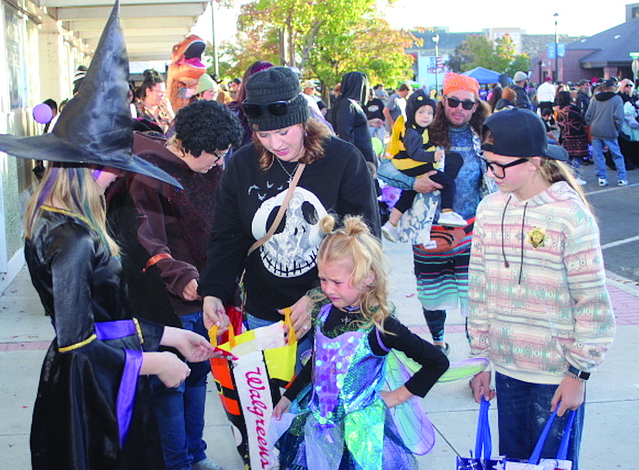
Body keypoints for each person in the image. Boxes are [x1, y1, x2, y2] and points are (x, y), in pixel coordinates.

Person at [0, 5, 225, 470]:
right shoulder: (71, 239)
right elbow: (79, 347)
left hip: (109, 383)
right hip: (90, 404)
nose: (119, 178)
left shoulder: (68, 223)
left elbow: (105, 320)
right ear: (84, 168)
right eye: (112, 170)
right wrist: (156, 362)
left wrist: (171, 336)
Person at [468, 108, 615, 470]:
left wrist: (578, 374)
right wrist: (480, 360)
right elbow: (478, 288)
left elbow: (593, 304)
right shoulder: (488, 210)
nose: (492, 174)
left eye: (500, 166)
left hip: (556, 377)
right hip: (508, 372)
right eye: (488, 164)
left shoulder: (570, 215)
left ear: (534, 162)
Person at [109, 100, 244, 470]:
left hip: (207, 297)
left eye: (224, 155)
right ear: (189, 145)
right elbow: (145, 237)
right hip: (164, 299)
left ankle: (195, 453)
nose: (219, 162)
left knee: (200, 376)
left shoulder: (210, 171)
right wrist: (181, 275)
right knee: (170, 383)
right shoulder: (149, 173)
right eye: (216, 154)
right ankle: (175, 466)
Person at [198, 66, 380, 358]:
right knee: (276, 401)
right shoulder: (243, 164)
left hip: (336, 315)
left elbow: (364, 241)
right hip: (265, 315)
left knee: (331, 402)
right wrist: (213, 291)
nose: (276, 144)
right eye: (264, 134)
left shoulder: (343, 159)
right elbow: (227, 237)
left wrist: (320, 296)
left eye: (283, 131)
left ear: (302, 121)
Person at [272, 214, 449, 470]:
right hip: (321, 427)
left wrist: (396, 396)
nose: (328, 289)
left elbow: (436, 362)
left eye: (337, 281)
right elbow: (318, 364)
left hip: (362, 435)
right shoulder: (326, 314)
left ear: (367, 277)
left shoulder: (381, 326)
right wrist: (290, 395)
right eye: (323, 279)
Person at [377, 72, 492, 355]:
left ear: (476, 106)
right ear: (443, 101)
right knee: (432, 295)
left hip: (472, 227)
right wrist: (414, 182)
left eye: (468, 104)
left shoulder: (485, 136)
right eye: (453, 101)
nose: (459, 109)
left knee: (474, 297)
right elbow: (385, 168)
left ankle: (476, 353)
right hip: (431, 229)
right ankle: (438, 343)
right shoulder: (422, 131)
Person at [381, 90, 466, 243]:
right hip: (413, 166)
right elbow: (413, 154)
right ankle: (447, 212)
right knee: (448, 184)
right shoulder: (413, 132)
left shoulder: (421, 130)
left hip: (411, 166)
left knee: (407, 195)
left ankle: (391, 224)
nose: (426, 116)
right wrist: (431, 157)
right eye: (421, 112)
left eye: (429, 112)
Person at [585, 77, 628, 186]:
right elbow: (619, 116)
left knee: (598, 155)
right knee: (617, 154)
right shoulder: (616, 99)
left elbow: (588, 115)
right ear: (613, 87)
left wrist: (592, 123)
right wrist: (617, 128)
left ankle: (601, 178)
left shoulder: (595, 98)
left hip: (595, 130)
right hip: (610, 130)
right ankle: (621, 178)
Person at [330, 71, 377, 168]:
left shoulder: (349, 104)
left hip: (362, 156)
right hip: (359, 159)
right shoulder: (347, 104)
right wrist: (352, 160)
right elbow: (345, 133)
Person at [557, 90, 589, 184]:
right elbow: (582, 118)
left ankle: (568, 176)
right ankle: (575, 176)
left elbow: (561, 124)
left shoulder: (561, 110)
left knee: (569, 157)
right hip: (577, 135)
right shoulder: (573, 108)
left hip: (566, 136)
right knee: (577, 156)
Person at [135, 69, 175, 133]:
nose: (162, 95)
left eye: (164, 92)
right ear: (148, 91)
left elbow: (178, 130)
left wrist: (170, 113)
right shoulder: (136, 109)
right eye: (159, 91)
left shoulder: (164, 110)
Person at [616, 78, 639, 169]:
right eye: (626, 85)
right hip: (624, 123)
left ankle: (636, 161)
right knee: (625, 143)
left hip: (634, 122)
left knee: (637, 142)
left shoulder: (634, 96)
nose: (628, 87)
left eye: (630, 85)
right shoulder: (619, 97)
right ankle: (626, 162)